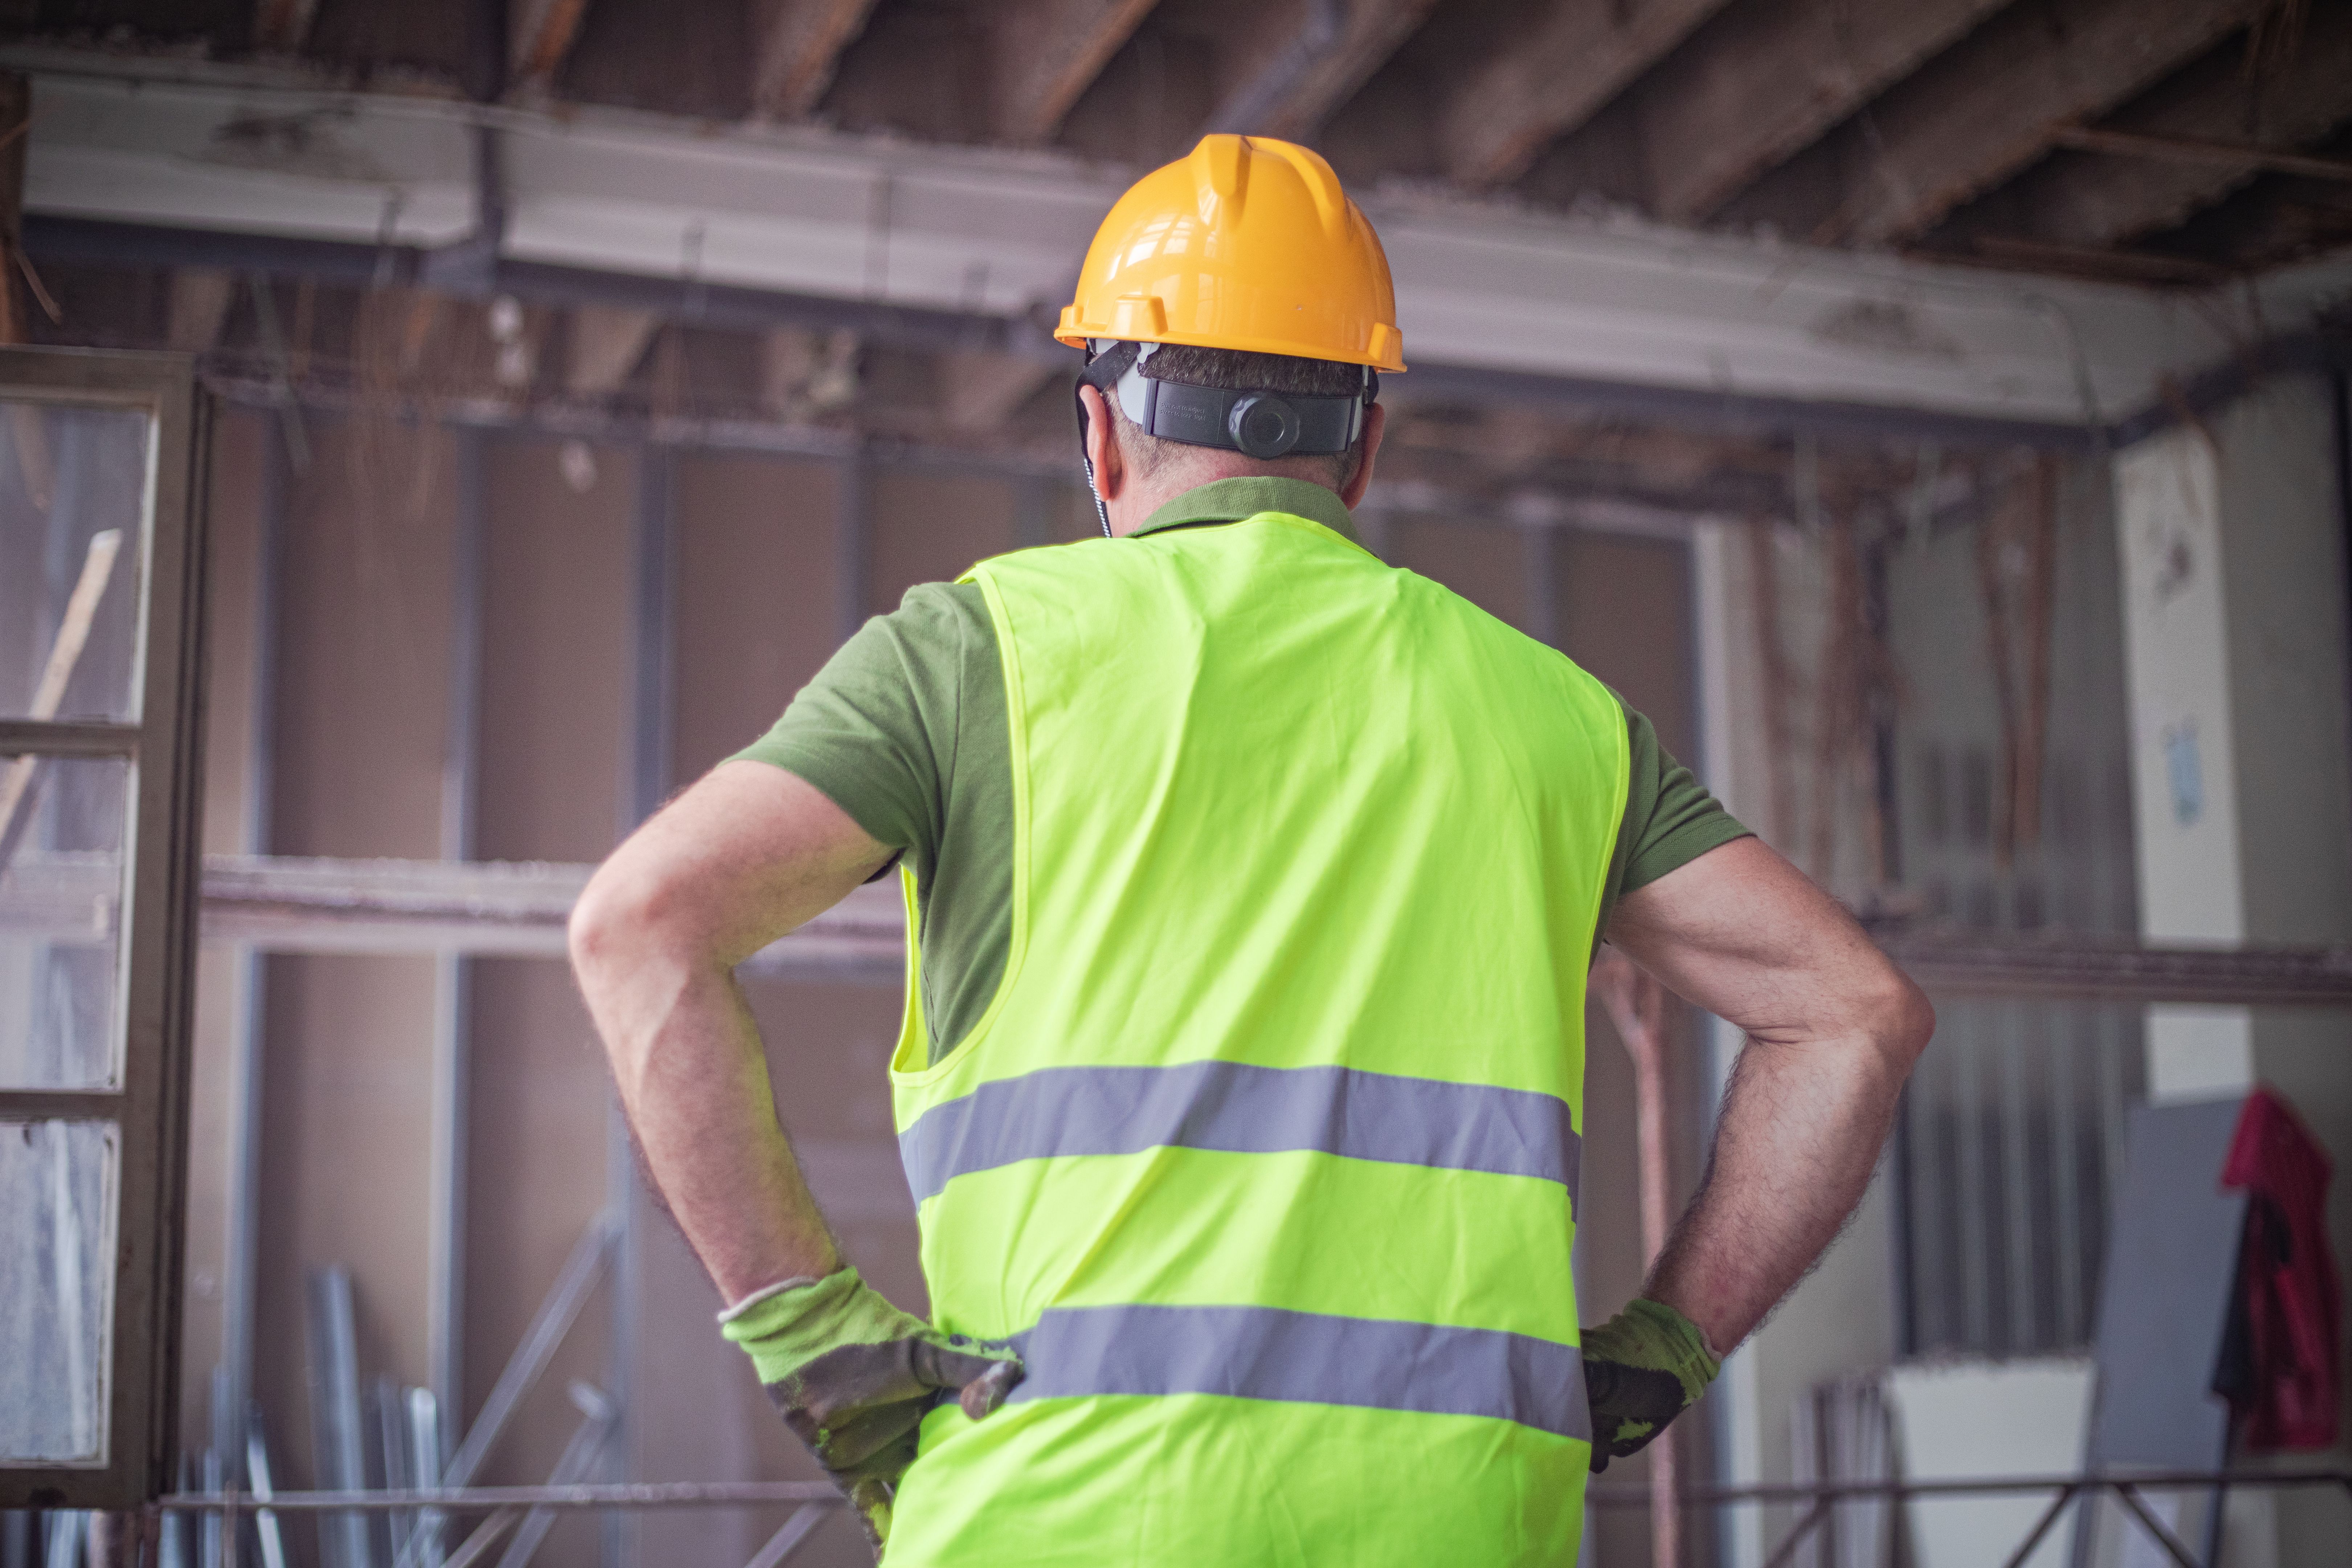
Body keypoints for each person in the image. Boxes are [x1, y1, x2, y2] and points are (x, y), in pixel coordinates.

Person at [570, 134, 1932, 1565]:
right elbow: (1854, 1017)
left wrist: (830, 1353)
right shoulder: (1557, 718)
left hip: (1065, 1528)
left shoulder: (980, 658)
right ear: (1365, 443)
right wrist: (1659, 1354)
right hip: (1459, 1531)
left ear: (1100, 433)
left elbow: (641, 926)